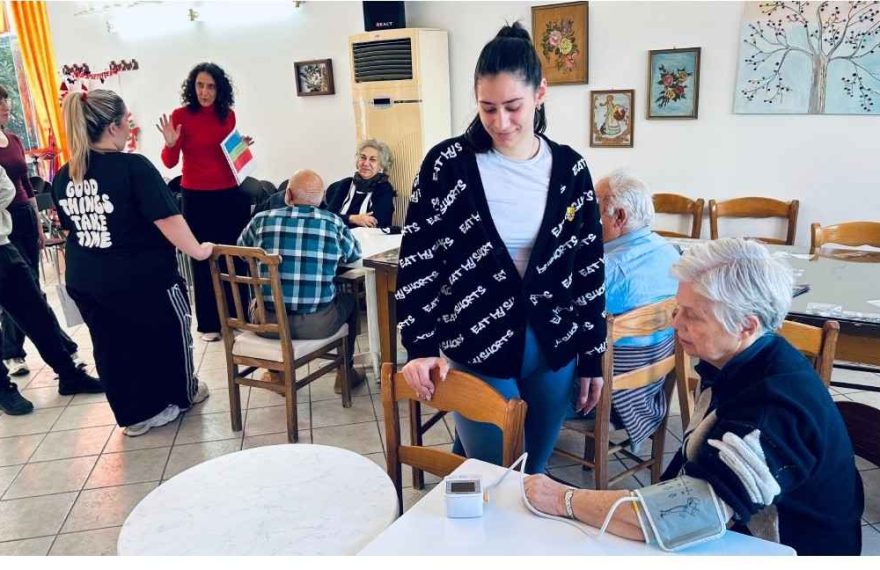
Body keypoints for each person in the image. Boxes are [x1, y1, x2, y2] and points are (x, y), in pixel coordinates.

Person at [524, 239, 864, 556]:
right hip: (743, 529)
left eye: (693, 315)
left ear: (746, 326)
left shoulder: (771, 409)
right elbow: (690, 472)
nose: (676, 323)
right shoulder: (745, 359)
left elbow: (677, 517)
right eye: (678, 308)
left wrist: (564, 499)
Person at [395, 23, 606, 475]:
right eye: (487, 108)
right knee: (497, 475)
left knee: (534, 473)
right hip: (475, 345)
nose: (501, 122)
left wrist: (592, 356)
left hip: (554, 350)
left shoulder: (571, 170)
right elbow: (418, 262)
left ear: (540, 93)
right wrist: (419, 346)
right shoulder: (446, 166)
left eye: (513, 107)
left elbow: (589, 269)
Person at [55, 89, 212, 436]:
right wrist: (199, 251)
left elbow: (72, 228)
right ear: (113, 127)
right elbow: (167, 219)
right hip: (140, 278)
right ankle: (182, 394)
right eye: (127, 121)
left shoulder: (65, 174)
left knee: (112, 346)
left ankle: (134, 415)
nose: (129, 128)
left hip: (86, 278)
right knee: (169, 333)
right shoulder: (132, 167)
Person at [238, 169, 364, 393]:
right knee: (349, 300)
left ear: (288, 195)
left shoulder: (261, 220)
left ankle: (276, 374)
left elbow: (241, 252)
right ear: (322, 198)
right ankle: (345, 374)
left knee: (259, 300)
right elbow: (353, 255)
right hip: (317, 326)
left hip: (266, 323)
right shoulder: (332, 223)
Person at [582, 170, 680, 449]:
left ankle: (513, 456)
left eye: (594, 208)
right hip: (651, 386)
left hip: (609, 396)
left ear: (619, 217)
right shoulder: (669, 251)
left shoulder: (607, 270)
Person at [158, 62, 251, 342]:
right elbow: (169, 163)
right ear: (193, 87)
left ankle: (238, 317)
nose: (205, 92)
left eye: (210, 86)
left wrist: (241, 147)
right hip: (196, 197)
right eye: (200, 85)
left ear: (219, 89)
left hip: (229, 195)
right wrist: (170, 143)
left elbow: (225, 156)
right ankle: (209, 324)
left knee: (234, 257)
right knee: (202, 257)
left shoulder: (228, 116)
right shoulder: (181, 116)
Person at [1, 165, 103, 415]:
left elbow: (6, 190)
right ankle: (3, 389)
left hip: (2, 247)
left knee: (37, 311)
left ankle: (69, 375)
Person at [0, 84, 81, 376]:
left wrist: (38, 223)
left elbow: (25, 184)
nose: (5, 107)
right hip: (4, 221)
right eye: (0, 103)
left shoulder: (13, 140)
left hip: (24, 214)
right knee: (25, 289)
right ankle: (17, 352)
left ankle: (48, 350)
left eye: (6, 101)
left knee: (31, 286)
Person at [324, 139, 396, 229]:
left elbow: (378, 223)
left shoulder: (384, 189)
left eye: (372, 160)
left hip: (366, 237)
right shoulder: (346, 184)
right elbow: (327, 216)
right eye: (363, 157)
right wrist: (353, 219)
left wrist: (342, 218)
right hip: (336, 233)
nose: (365, 163)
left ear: (381, 165)